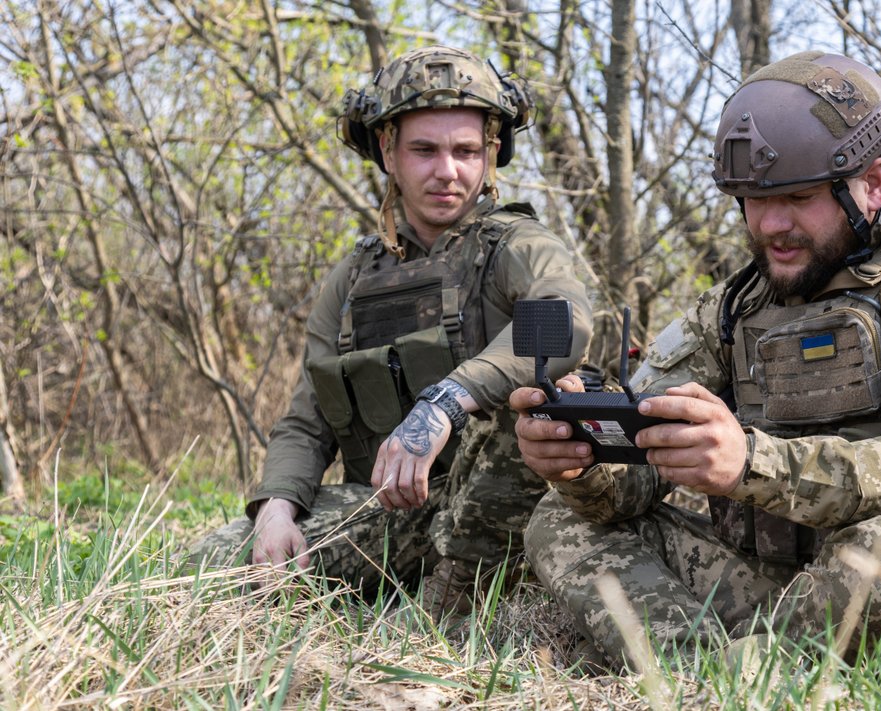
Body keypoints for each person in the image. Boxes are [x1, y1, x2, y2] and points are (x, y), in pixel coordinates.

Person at [510, 51, 881, 667]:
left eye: (798, 197)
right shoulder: (733, 308)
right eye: (752, 199)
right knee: (560, 520)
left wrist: (750, 460)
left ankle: (753, 673)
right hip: (794, 592)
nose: (771, 224)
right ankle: (697, 672)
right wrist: (583, 458)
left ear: (874, 185)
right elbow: (635, 472)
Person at [191, 45, 592, 616]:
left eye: (467, 151)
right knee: (214, 563)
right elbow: (308, 420)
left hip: (505, 513)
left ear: (491, 154)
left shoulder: (517, 247)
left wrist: (445, 402)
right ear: (388, 151)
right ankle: (405, 588)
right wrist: (277, 508)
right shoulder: (353, 278)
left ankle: (454, 605)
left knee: (529, 404)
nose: (447, 171)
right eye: (424, 150)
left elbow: (562, 324)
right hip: (398, 514)